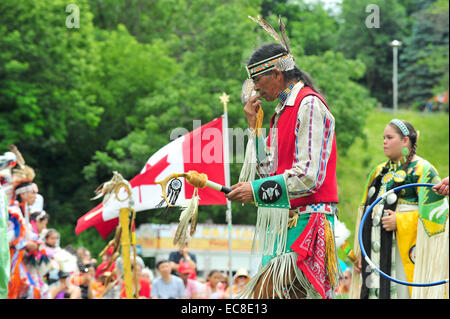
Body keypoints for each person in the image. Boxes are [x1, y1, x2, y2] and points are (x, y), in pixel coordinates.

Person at [226, 16, 339, 299]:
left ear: (277, 74)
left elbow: (308, 177)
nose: (254, 89)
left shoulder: (308, 105)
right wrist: (255, 129)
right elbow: (269, 172)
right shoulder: (280, 113)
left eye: (257, 80)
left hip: (308, 225)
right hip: (284, 225)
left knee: (259, 297)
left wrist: (254, 191)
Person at [350, 119, 449, 299]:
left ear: (405, 141)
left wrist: (401, 221)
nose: (384, 142)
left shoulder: (424, 170)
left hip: (406, 255)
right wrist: (360, 253)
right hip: (375, 253)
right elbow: (363, 214)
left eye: (389, 137)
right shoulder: (378, 171)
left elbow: (438, 219)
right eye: (383, 138)